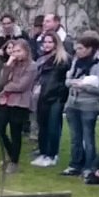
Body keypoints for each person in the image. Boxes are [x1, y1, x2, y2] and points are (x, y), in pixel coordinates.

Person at [62, 32, 99, 179]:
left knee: (87, 137)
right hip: (72, 102)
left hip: (88, 104)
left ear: (90, 49)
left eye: (81, 48)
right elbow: (68, 79)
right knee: (75, 136)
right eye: (77, 48)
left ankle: (89, 166)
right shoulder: (77, 60)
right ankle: (75, 164)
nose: (77, 51)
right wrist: (74, 83)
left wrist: (83, 85)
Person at [0, 39, 38, 174]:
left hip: (20, 102)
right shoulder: (12, 64)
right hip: (5, 100)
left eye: (19, 51)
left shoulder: (32, 66)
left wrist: (7, 86)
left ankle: (14, 161)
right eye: (14, 51)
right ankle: (11, 154)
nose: (16, 54)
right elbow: (1, 81)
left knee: (15, 132)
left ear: (26, 51)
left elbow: (22, 86)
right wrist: (8, 64)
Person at [32, 32, 71, 168]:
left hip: (56, 97)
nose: (47, 45)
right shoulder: (41, 59)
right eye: (45, 42)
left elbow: (62, 81)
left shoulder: (62, 59)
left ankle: (52, 155)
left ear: (56, 43)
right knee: (42, 126)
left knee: (53, 127)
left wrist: (60, 96)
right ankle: (43, 153)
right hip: (42, 96)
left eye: (50, 42)